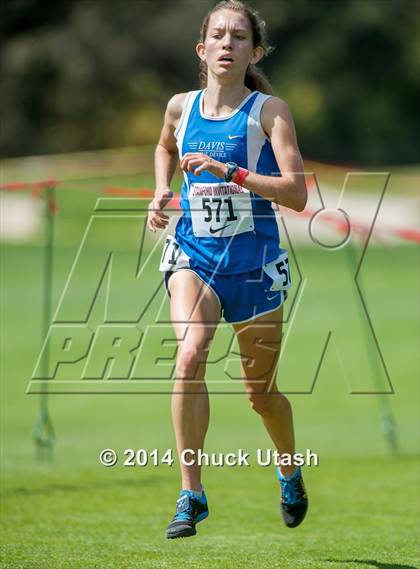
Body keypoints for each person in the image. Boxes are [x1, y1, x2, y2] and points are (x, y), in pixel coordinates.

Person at [147, 0, 308, 539]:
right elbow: (164, 146)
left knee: (260, 393)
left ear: (253, 51)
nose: (226, 44)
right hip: (193, 254)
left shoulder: (269, 111)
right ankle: (191, 493)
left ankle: (288, 470)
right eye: (217, 35)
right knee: (190, 353)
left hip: (254, 266)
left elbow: (297, 193)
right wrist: (161, 189)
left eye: (239, 37)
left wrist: (231, 171)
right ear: (201, 48)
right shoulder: (180, 106)